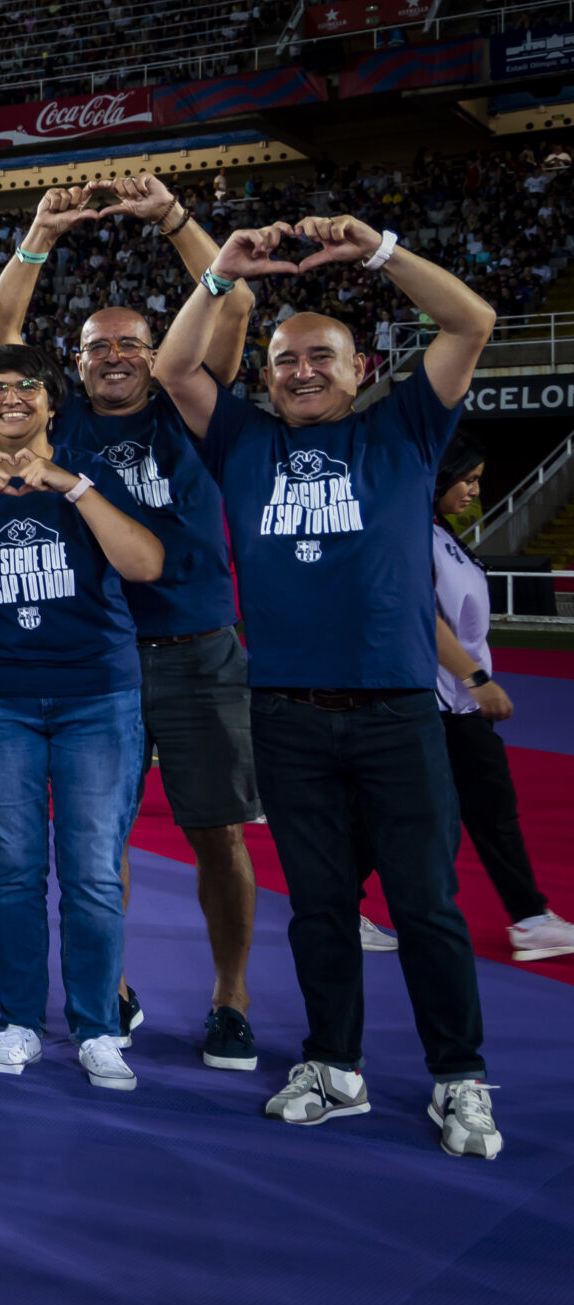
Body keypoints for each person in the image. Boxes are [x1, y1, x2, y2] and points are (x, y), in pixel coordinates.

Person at [153, 212, 503, 1159]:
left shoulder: (406, 429)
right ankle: (333, 1063)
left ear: (358, 368)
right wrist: (222, 269)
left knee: (426, 902)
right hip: (286, 713)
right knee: (318, 906)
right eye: (284, 359)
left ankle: (459, 1077)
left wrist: (383, 250)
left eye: (322, 357)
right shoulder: (243, 441)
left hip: (396, 712)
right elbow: (177, 370)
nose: (301, 371)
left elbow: (471, 322)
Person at [0, 176, 268, 1071]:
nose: (113, 355)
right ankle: (114, 987)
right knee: (98, 838)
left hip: (195, 645)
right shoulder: (54, 433)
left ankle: (230, 995)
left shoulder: (192, 410)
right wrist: (38, 234)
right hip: (94, 653)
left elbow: (239, 297)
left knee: (216, 828)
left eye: (129, 343)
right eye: (96, 345)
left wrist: (175, 219)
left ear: (156, 351)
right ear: (73, 361)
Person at [0, 345, 167, 1086]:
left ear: (54, 404)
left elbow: (146, 563)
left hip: (96, 696)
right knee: (14, 871)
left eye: (28, 387)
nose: (12, 398)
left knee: (90, 871)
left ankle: (97, 1026)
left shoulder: (92, 471)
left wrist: (72, 486)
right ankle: (20, 1020)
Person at [429, 433, 573, 961]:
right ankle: (530, 918)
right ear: (439, 478)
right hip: (444, 705)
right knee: (489, 812)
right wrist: (475, 680)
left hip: (453, 704)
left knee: (415, 816)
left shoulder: (440, 532)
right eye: (466, 480)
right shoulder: (415, 535)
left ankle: (342, 907)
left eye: (478, 481)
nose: (473, 491)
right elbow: (421, 617)